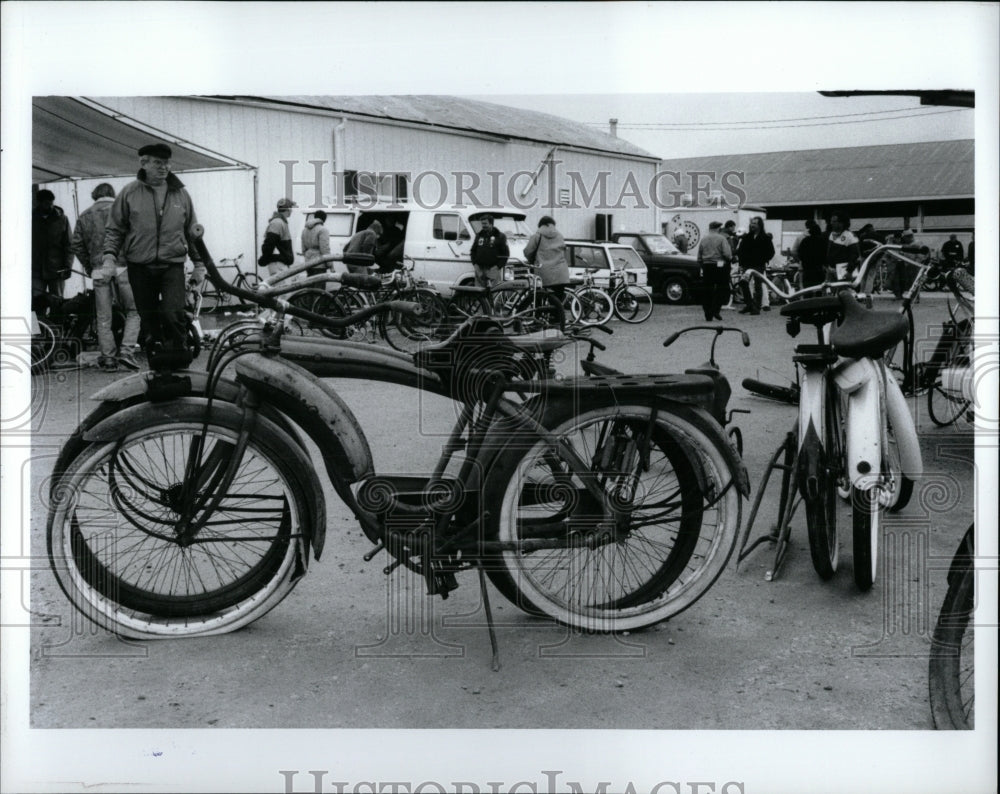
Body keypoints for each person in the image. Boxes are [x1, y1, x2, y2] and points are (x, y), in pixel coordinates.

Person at [102, 142, 204, 371]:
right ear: (144, 163)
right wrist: (109, 256)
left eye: (167, 163)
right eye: (158, 163)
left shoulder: (181, 194)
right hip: (140, 266)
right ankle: (157, 364)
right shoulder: (129, 193)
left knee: (172, 312)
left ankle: (180, 361)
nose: (164, 167)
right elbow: (114, 229)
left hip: (172, 265)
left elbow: (192, 231)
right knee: (148, 318)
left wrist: (199, 264)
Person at [72, 183, 141, 371]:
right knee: (134, 311)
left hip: (99, 270)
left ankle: (109, 359)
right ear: (113, 194)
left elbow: (76, 244)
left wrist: (89, 266)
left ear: (95, 195)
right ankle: (127, 351)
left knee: (103, 317)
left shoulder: (85, 215)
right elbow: (135, 239)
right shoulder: (123, 212)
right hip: (123, 267)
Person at [32, 188, 74, 303]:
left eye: (51, 203)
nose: (49, 206)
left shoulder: (62, 219)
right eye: (46, 203)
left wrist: (68, 266)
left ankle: (57, 322)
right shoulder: (29, 219)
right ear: (39, 203)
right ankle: (38, 321)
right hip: (36, 270)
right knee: (37, 303)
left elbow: (69, 245)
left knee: (57, 303)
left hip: (57, 271)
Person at [523, 215, 570, 300]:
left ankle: (540, 312)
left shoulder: (536, 236)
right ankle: (557, 313)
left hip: (543, 273)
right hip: (560, 273)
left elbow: (528, 252)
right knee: (557, 301)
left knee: (539, 297)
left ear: (541, 225)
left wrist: (531, 261)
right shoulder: (560, 236)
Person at [737, 216, 775, 315]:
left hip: (759, 265)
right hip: (747, 265)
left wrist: (764, 260)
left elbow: (771, 252)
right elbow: (740, 251)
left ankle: (756, 307)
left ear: (760, 225)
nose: (752, 225)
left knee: (758, 286)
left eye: (755, 223)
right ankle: (749, 304)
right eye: (752, 223)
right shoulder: (746, 237)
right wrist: (741, 263)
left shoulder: (765, 238)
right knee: (744, 283)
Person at [697, 220, 732, 321]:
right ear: (718, 229)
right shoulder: (722, 239)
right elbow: (727, 254)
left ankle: (708, 312)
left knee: (707, 289)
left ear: (710, 228)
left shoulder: (703, 239)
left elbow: (699, 257)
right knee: (722, 288)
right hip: (719, 266)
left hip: (707, 266)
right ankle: (715, 309)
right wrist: (729, 259)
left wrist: (703, 265)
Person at [259, 198, 297, 277]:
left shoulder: (279, 222)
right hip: (278, 265)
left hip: (279, 264)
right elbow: (269, 244)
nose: (292, 211)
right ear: (288, 209)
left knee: (284, 287)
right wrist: (265, 259)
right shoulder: (277, 223)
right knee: (282, 287)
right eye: (291, 208)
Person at [469, 214, 509, 288]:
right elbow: (473, 251)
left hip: (493, 270)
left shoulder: (500, 236)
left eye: (485, 224)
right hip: (480, 270)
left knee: (493, 292)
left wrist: (497, 267)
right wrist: (475, 264)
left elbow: (505, 255)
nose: (483, 226)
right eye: (482, 224)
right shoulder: (479, 235)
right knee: (479, 294)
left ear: (491, 224)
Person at [825, 210, 860, 281]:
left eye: (834, 221)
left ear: (841, 223)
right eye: (831, 221)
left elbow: (855, 256)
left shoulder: (850, 236)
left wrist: (849, 271)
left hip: (843, 271)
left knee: (843, 291)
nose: (831, 223)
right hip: (831, 270)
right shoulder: (832, 234)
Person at [797, 220, 827, 288]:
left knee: (807, 290)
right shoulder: (822, 241)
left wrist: (803, 261)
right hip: (819, 270)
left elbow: (800, 253)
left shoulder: (805, 241)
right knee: (819, 290)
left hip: (807, 269)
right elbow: (825, 255)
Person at [301, 210, 331, 276]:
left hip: (308, 263)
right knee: (319, 285)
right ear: (324, 219)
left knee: (309, 284)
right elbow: (325, 249)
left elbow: (303, 249)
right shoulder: (323, 230)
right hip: (319, 264)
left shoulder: (305, 230)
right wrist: (330, 265)